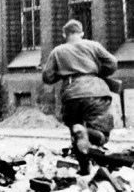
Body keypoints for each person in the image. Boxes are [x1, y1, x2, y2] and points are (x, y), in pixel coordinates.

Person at [42, 19, 118, 174]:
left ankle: (84, 169)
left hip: (71, 94)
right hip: (95, 92)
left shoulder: (58, 51)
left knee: (76, 134)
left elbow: (47, 77)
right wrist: (95, 71)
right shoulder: (93, 46)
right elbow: (112, 63)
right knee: (101, 133)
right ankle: (88, 133)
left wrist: (63, 73)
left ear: (65, 34)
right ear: (81, 33)